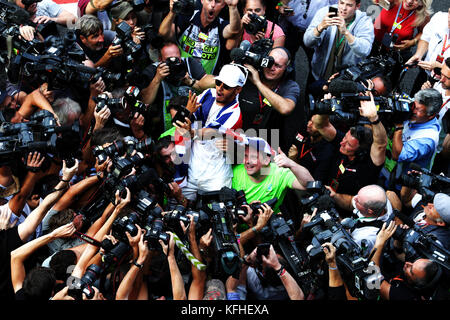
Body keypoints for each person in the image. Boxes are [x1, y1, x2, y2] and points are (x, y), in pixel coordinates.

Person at [174, 63, 247, 200]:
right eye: (218, 83)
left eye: (226, 86)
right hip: (192, 172)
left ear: (238, 90)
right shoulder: (208, 93)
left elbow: (210, 132)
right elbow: (180, 122)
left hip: (216, 178)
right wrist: (188, 111)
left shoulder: (235, 113)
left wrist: (192, 132)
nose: (219, 88)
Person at [310, 92, 388, 215]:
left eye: (349, 145)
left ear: (361, 151)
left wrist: (374, 118)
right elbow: (321, 125)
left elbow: (381, 144)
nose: (342, 143)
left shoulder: (369, 163)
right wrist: (325, 108)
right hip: (322, 199)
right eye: (344, 138)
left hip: (347, 213)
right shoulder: (342, 142)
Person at [140, 41, 215, 138]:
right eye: (168, 60)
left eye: (177, 60)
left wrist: (191, 82)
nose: (173, 64)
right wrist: (157, 79)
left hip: (192, 124)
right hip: (164, 127)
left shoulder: (189, 64)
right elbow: (145, 100)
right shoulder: (153, 71)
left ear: (181, 57)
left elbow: (211, 82)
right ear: (160, 60)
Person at [303, 0, 374, 89]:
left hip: (345, 81)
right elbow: (307, 42)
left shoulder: (364, 21)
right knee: (310, 99)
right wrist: (320, 27)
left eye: (349, 5)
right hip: (319, 74)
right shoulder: (327, 12)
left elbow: (364, 51)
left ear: (357, 6)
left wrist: (346, 33)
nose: (343, 8)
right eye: (341, 3)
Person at [239, 47, 300, 150]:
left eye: (277, 66)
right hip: (240, 135)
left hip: (270, 140)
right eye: (269, 62)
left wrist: (258, 83)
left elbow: (286, 108)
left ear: (286, 68)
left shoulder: (290, 86)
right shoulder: (248, 74)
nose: (271, 68)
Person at [158, 0, 242, 75]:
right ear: (202, 1)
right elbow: (163, 34)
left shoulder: (221, 25)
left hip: (203, 83)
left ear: (223, 5)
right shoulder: (188, 16)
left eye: (217, 1)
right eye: (209, 0)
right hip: (179, 74)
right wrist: (172, 12)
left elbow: (234, 30)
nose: (213, 5)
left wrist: (232, 7)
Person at [232, 139, 314, 214]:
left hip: (270, 227)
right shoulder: (235, 173)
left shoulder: (279, 173)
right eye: (245, 156)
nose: (247, 161)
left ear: (266, 160)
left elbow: (310, 185)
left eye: (253, 157)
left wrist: (291, 163)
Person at [370, 221, 445, 300]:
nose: (407, 263)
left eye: (411, 270)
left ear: (417, 286)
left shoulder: (406, 296)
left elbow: (374, 283)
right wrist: (401, 239)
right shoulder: (422, 268)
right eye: (413, 262)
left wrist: (379, 243)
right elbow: (399, 255)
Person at [389, 89, 442, 195]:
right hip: (387, 170)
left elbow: (397, 155)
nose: (412, 111)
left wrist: (399, 126)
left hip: (401, 186)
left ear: (430, 115)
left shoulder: (427, 140)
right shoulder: (416, 114)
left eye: (418, 110)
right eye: (414, 105)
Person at [349, 184, 394, 255]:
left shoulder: (366, 237)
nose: (355, 199)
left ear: (370, 211)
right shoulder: (381, 201)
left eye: (358, 201)